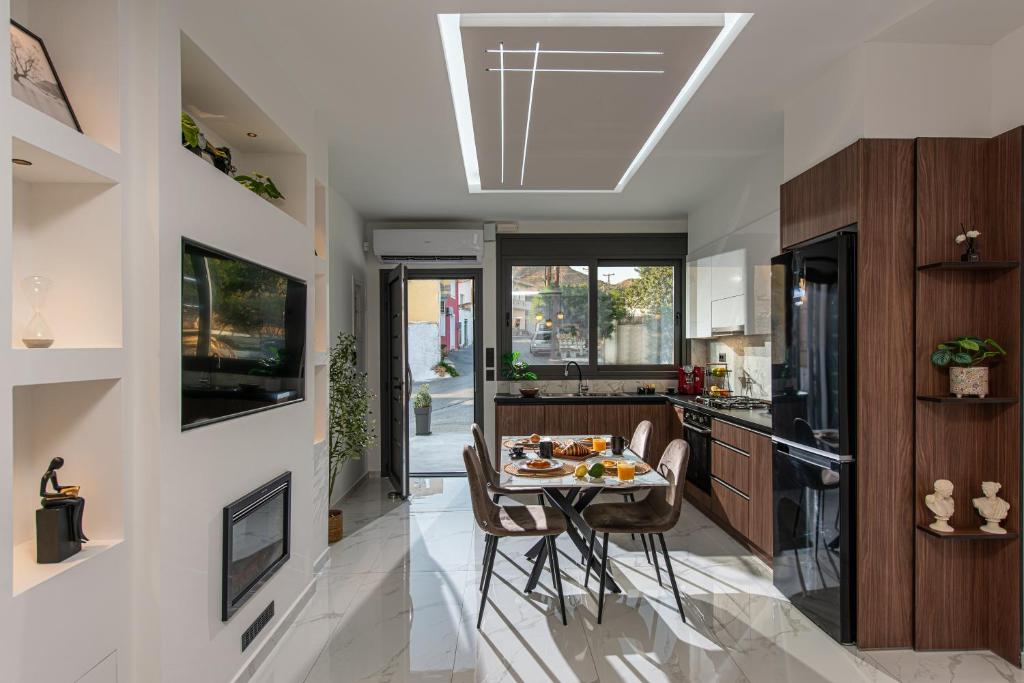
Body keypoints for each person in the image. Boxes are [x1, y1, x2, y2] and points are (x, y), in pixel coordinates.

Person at [39, 457, 88, 543]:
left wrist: (71, 488)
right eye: (60, 465)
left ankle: (79, 532)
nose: (61, 466)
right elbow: (42, 493)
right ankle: (74, 535)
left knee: (81, 500)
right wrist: (61, 495)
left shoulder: (53, 473)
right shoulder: (46, 475)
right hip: (47, 501)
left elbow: (56, 487)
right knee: (76, 502)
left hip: (54, 498)